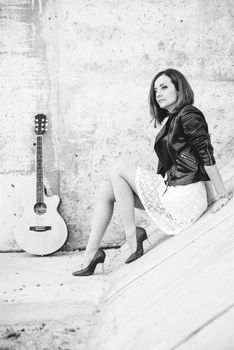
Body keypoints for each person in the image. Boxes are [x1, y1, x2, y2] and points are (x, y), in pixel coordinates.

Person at [72, 68, 231, 277]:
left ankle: (131, 235)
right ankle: (90, 255)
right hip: (175, 193)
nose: (159, 94)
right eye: (156, 90)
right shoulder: (172, 120)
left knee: (119, 168)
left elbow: (205, 154)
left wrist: (220, 195)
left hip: (184, 196)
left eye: (164, 87)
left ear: (179, 88)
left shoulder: (189, 114)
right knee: (105, 189)